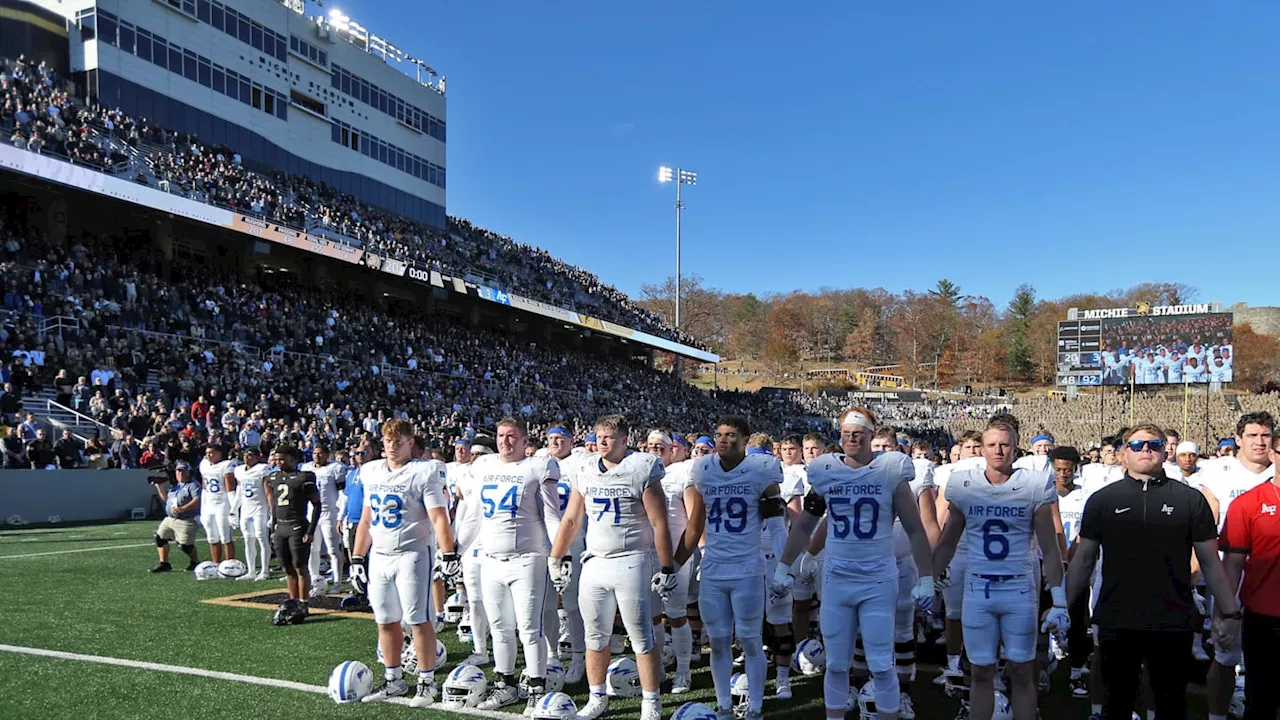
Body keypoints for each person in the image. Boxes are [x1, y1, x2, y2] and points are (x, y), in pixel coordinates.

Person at [1066, 423, 1242, 720]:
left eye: (1154, 445)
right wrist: (1061, 604)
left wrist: (1229, 612)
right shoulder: (1103, 500)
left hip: (1171, 618)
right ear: (1124, 454)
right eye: (1137, 446)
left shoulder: (1189, 499)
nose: (1145, 450)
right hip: (1118, 616)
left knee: (1170, 703)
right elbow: (1083, 560)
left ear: (1164, 451)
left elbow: (1210, 561)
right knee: (1117, 702)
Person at [772, 407, 935, 720]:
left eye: (858, 432)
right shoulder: (826, 471)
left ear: (872, 436)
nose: (852, 437)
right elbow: (806, 524)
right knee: (835, 663)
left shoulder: (891, 470)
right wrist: (784, 566)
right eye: (846, 432)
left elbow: (915, 528)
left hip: (878, 579)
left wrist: (926, 576)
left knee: (881, 662)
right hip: (838, 578)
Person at [932, 415, 1066, 720]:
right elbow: (948, 541)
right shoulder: (965, 485)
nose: (998, 451)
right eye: (992, 445)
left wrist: (1059, 600)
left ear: (1016, 449)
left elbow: (1049, 546)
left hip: (1019, 588)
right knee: (980, 672)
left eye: (1005, 445)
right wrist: (927, 580)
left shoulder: (1033, 484)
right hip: (978, 588)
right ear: (982, 449)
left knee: (1021, 671)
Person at [549, 415, 674, 720]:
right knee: (595, 636)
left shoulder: (641, 467)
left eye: (609, 438)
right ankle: (596, 697)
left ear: (624, 440)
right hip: (595, 561)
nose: (602, 443)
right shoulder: (585, 467)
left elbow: (659, 522)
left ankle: (651, 702)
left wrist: (667, 566)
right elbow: (572, 518)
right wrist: (556, 557)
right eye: (599, 437)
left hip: (632, 560)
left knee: (641, 637)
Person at [676, 415, 784, 720]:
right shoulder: (704, 470)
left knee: (750, 639)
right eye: (720, 434)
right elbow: (695, 524)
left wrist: (783, 566)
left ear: (746, 440)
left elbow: (777, 526)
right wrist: (672, 566)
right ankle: (723, 707)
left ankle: (756, 709)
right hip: (713, 568)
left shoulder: (762, 471)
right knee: (719, 639)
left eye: (732, 435)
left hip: (748, 568)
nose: (724, 440)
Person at [350, 419, 460, 707]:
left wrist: (448, 552)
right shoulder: (371, 470)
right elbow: (366, 519)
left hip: (413, 553)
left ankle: (427, 682)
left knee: (418, 620)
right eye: (387, 441)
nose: (392, 446)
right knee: (385, 620)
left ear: (411, 442)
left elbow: (438, 516)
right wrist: (357, 557)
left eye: (398, 441)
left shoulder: (424, 471)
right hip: (380, 556)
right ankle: (394, 679)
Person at [468, 417, 561, 712]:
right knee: (499, 627)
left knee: (529, 629)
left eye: (511, 436)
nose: (504, 441)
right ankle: (505, 686)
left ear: (524, 440)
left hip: (527, 558)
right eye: (500, 435)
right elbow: (475, 514)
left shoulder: (537, 466)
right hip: (491, 558)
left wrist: (560, 555)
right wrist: (458, 549)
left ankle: (536, 687)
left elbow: (551, 516)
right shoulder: (484, 466)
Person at [1199, 412, 1277, 720]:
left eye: (1265, 435)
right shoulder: (1221, 473)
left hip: (1269, 576)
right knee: (1225, 654)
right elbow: (1205, 528)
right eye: (1252, 435)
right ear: (1239, 439)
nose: (1259, 442)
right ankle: (1216, 715)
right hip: (1229, 573)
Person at [1221, 433, 1280, 720]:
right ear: (1272, 455)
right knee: (1262, 700)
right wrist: (1227, 613)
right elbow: (1232, 564)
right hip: (1265, 617)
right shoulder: (1247, 504)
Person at [1048, 446, 1092, 698]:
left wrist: (1070, 559)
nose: (1062, 474)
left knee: (1077, 620)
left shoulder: (1084, 496)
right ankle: (1043, 666)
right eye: (1058, 469)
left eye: (1067, 469)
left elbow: (1084, 533)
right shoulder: (1041, 494)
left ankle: (1076, 671)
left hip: (1075, 565)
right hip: (1046, 565)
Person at [451, 442, 492, 667]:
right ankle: (480, 649)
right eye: (473, 454)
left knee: (499, 602)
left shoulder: (497, 476)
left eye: (481, 454)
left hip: (493, 547)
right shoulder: (464, 476)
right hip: (470, 548)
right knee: (475, 600)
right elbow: (463, 514)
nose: (475, 457)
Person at [265, 446, 320, 607]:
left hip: (298, 525)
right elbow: (274, 505)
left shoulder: (304, 477)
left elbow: (317, 504)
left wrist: (311, 530)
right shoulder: (273, 477)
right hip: (281, 527)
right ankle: (293, 601)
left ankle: (303, 603)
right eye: (277, 459)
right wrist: (274, 526)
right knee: (287, 568)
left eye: (282, 459)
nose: (279, 463)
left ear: (293, 459)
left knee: (300, 567)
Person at [302, 443, 346, 594]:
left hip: (329, 514)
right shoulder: (306, 468)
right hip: (312, 514)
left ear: (327, 455)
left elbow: (341, 493)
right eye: (315, 453)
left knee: (333, 550)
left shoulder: (336, 468)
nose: (317, 456)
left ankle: (337, 583)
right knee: (312, 549)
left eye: (320, 453)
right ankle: (314, 579)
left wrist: (341, 514)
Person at [149, 461, 201, 573]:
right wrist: (159, 486)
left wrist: (184, 508)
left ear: (188, 472)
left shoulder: (193, 485)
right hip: (170, 518)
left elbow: (197, 500)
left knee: (185, 546)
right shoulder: (175, 486)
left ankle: (195, 562)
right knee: (160, 538)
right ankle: (164, 563)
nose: (180, 473)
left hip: (186, 519)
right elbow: (167, 500)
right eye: (178, 471)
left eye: (183, 471)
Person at [233, 446, 272, 581]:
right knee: (248, 539)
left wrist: (272, 513)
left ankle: (265, 571)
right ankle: (251, 571)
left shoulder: (263, 469)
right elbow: (239, 492)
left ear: (257, 456)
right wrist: (233, 510)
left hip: (260, 508)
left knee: (261, 537)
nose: (246, 458)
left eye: (250, 455)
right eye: (245, 455)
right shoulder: (239, 471)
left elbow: (268, 493)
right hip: (245, 509)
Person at [198, 444, 238, 564]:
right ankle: (216, 563)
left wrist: (233, 511)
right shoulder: (204, 464)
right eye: (207, 452)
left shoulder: (226, 465)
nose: (208, 455)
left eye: (211, 452)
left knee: (225, 536)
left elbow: (230, 489)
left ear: (219, 454)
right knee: (212, 536)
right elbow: (204, 488)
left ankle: (229, 565)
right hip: (209, 504)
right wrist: (202, 509)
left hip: (222, 504)